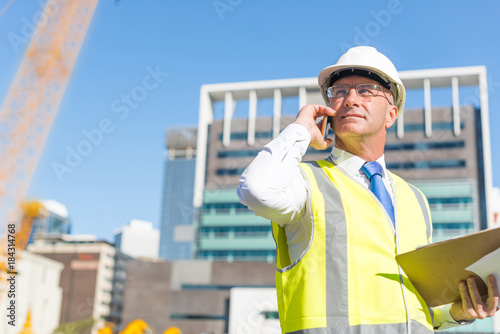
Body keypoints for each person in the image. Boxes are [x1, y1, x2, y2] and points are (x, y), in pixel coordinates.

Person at [237, 46, 499, 334]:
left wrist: (457, 312)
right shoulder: (304, 182)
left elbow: (413, 307)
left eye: (366, 90)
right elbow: (256, 189)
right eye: (338, 92)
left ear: (391, 114)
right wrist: (300, 130)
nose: (350, 100)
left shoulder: (415, 199)